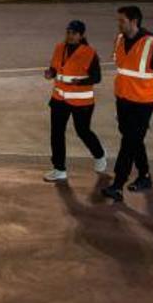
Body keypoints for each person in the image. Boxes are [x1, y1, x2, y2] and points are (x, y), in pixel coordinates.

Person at [101, 5, 153, 203]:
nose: (118, 24)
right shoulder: (119, 40)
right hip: (123, 98)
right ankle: (145, 176)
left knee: (129, 141)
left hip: (143, 101)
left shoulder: (152, 44)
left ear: (134, 22)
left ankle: (118, 185)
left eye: (122, 21)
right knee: (132, 137)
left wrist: (145, 85)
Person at [42, 20, 108, 182]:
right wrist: (50, 73)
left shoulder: (89, 52)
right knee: (56, 133)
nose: (70, 36)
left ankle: (99, 155)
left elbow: (97, 77)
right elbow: (55, 68)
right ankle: (59, 169)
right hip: (59, 99)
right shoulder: (59, 48)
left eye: (74, 33)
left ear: (82, 35)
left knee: (83, 131)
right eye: (68, 32)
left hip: (82, 102)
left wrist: (81, 82)